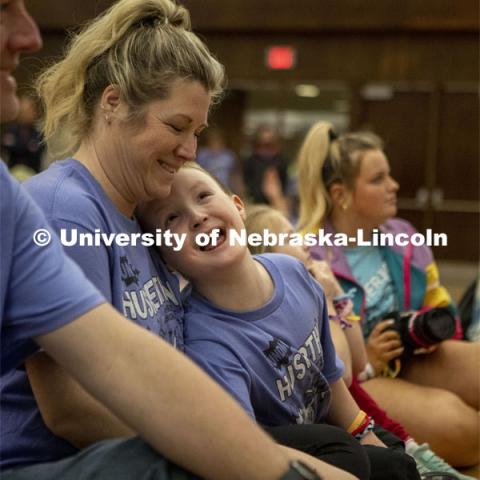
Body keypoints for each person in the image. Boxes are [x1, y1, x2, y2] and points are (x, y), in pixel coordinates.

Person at [0, 1, 354, 479]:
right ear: (113, 102)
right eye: (176, 127)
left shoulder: (146, 211)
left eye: (198, 132)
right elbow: (73, 410)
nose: (190, 151)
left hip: (140, 443)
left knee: (337, 450)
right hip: (65, 460)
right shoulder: (66, 208)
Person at [138, 162, 422, 480]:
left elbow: (328, 375)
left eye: (203, 196)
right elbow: (237, 450)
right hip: (274, 455)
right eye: (171, 217)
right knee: (349, 455)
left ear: (238, 206)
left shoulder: (293, 271)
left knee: (397, 459)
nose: (197, 216)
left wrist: (365, 433)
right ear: (164, 257)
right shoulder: (207, 343)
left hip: (322, 428)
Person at [244, 203, 475, 480]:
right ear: (266, 257)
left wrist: (339, 295)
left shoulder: (314, 284)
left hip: (363, 410)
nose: (304, 242)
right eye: (290, 237)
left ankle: (416, 457)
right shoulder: (290, 308)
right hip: (339, 417)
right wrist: (328, 302)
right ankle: (416, 461)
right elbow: (346, 369)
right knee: (393, 446)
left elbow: (358, 356)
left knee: (395, 440)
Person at [296, 121, 480, 468]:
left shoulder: (404, 237)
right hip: (363, 380)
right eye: (378, 179)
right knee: (465, 431)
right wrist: (367, 355)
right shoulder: (307, 255)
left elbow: (443, 309)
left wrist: (427, 330)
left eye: (389, 175)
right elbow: (311, 360)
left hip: (417, 357)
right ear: (341, 194)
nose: (393, 186)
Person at [1, 94, 45, 179]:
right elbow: (7, 148)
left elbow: (37, 153)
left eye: (28, 110)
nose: (25, 113)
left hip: (33, 175)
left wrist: (17, 145)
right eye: (23, 110)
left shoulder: (39, 133)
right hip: (12, 174)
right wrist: (27, 147)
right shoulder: (11, 130)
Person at [196, 127, 243, 194]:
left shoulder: (229, 156)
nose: (215, 143)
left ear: (222, 141)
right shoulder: (202, 155)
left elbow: (235, 176)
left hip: (225, 189)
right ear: (209, 142)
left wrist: (240, 191)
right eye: (213, 141)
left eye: (217, 140)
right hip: (207, 189)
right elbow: (197, 172)